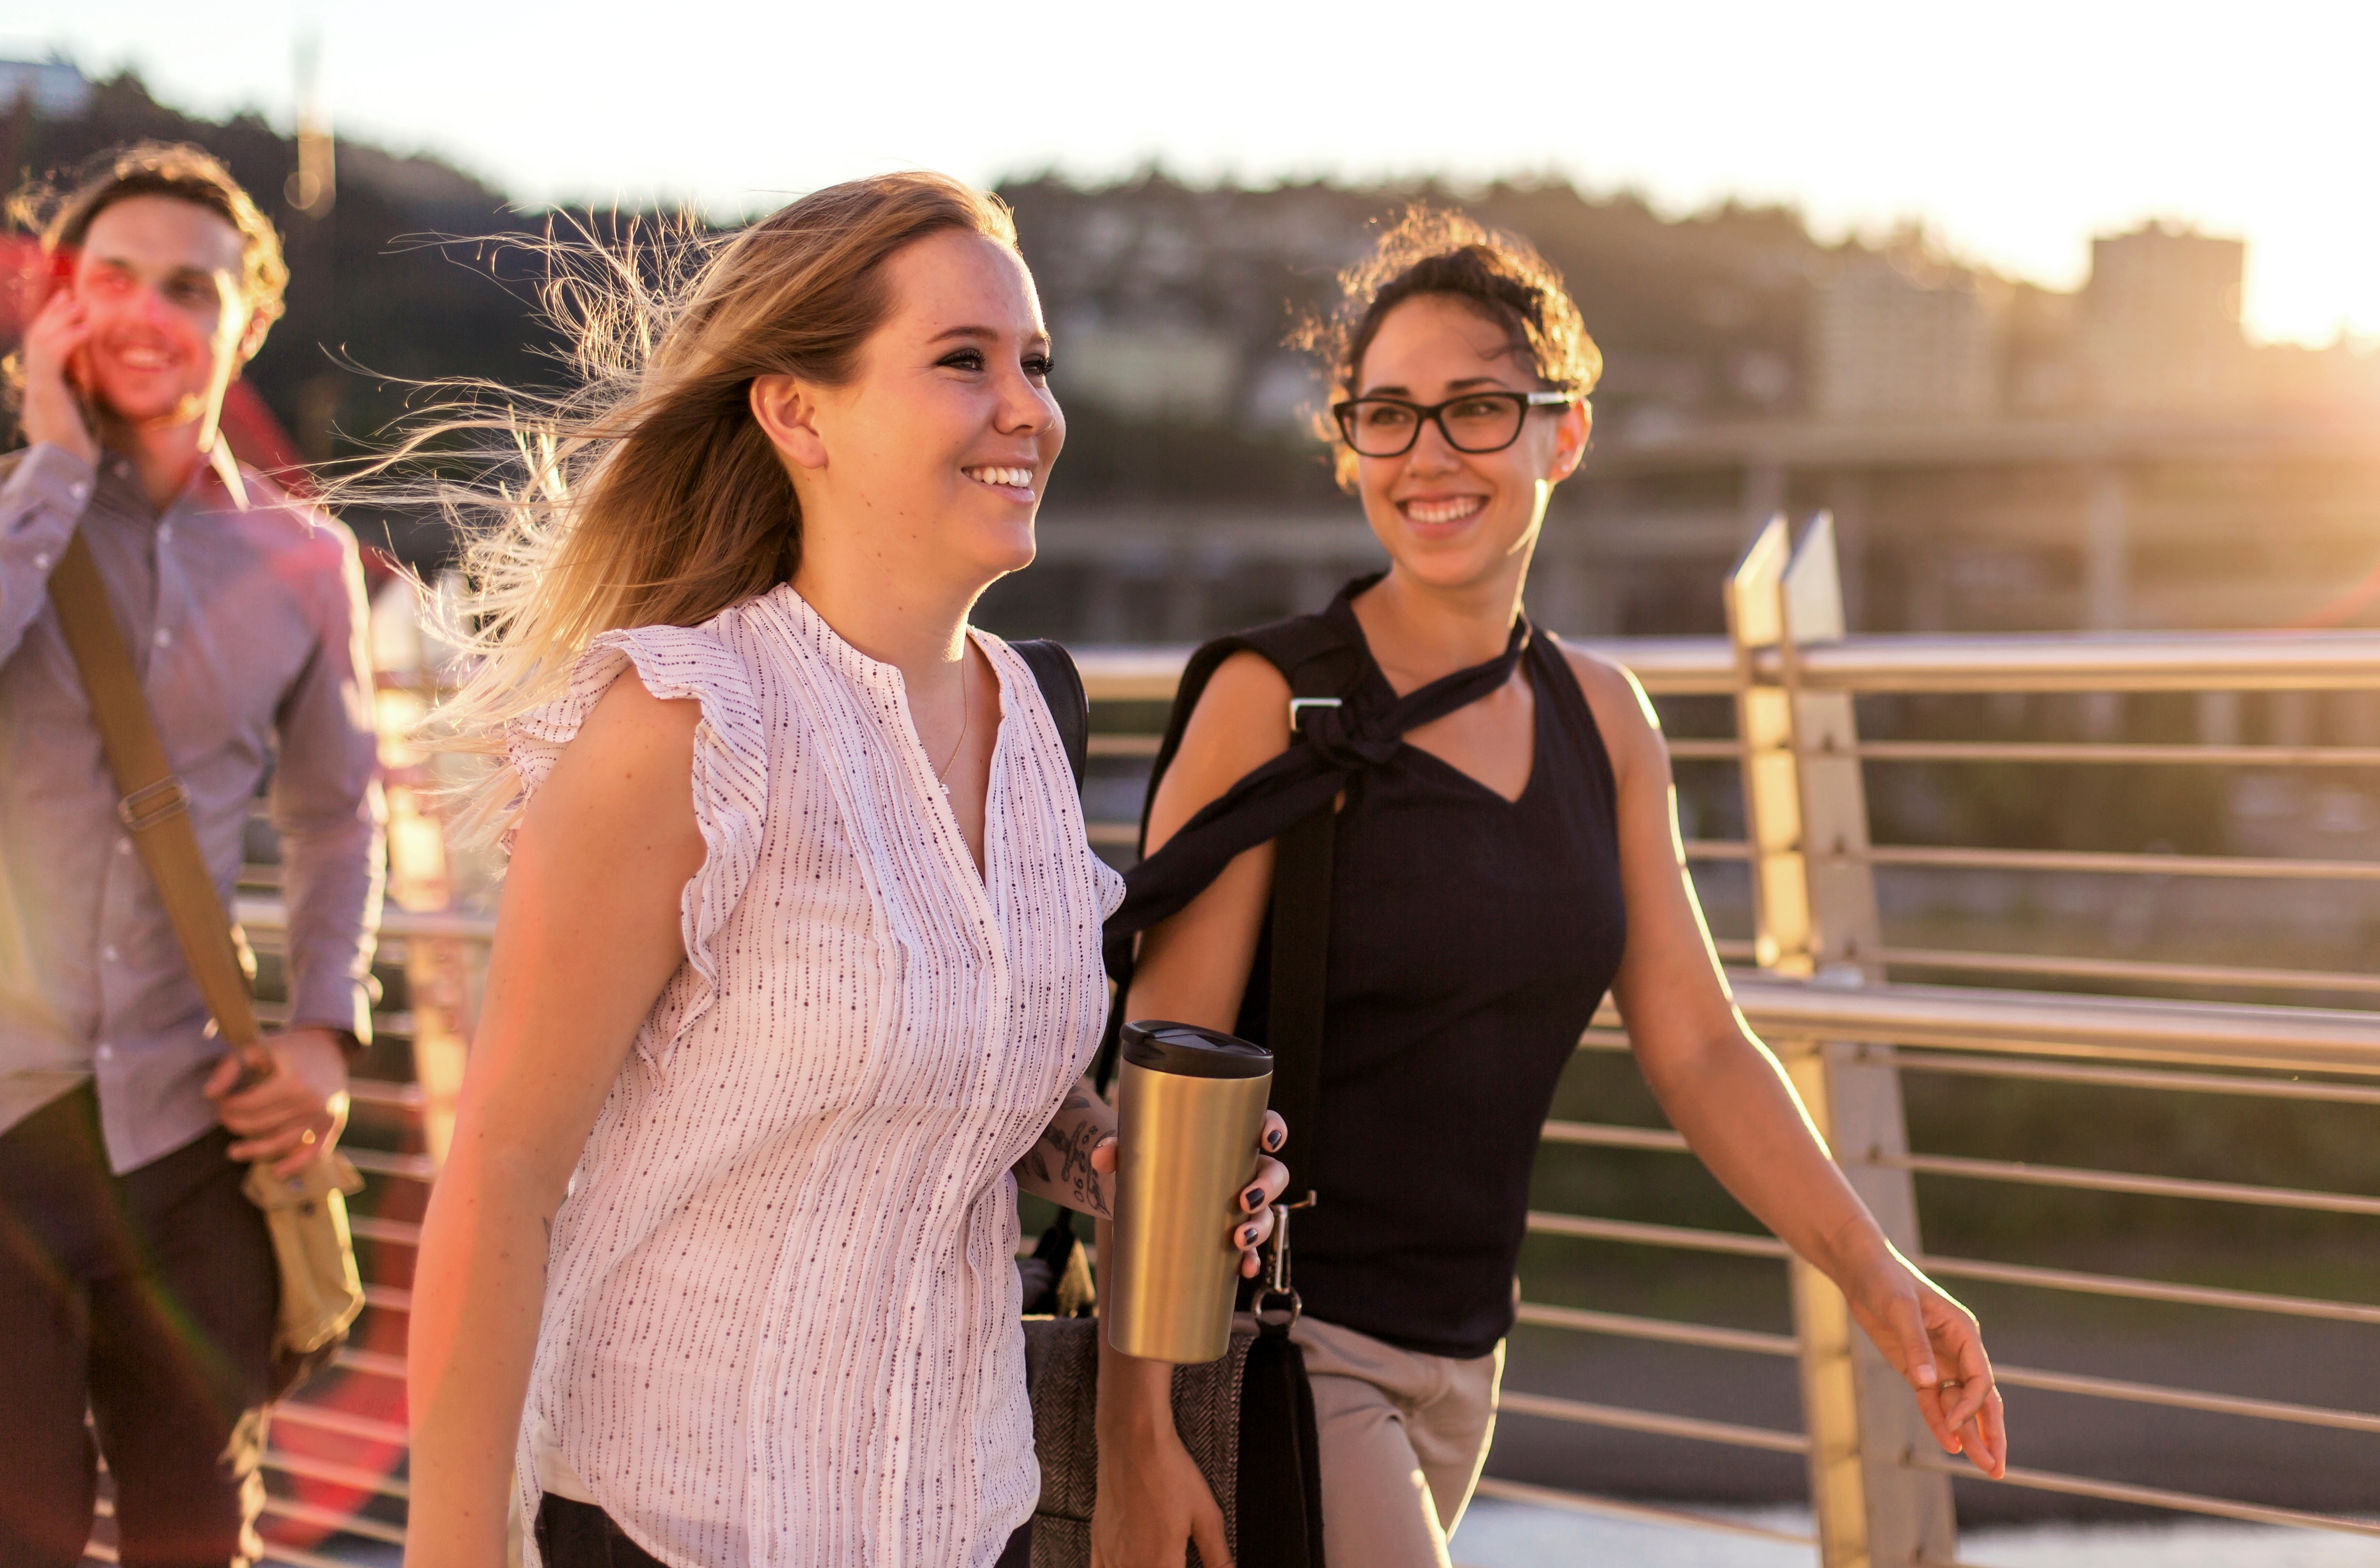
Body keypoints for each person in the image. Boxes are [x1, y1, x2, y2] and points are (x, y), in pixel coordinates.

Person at [1092, 209, 2009, 1568]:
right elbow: (1162, 1078)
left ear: (1561, 433)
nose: (1428, 456)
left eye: (1475, 410)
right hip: (1279, 1342)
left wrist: (1876, 1273)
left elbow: (1699, 1045)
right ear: (1348, 448)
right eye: (1386, 417)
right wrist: (1133, 1434)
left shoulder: (1608, 721)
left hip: (1468, 1362)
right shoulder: (1277, 698)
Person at [398, 173, 1287, 1568]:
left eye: (1036, 364)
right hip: (673, 1522)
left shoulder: (1039, 720)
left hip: (962, 1517)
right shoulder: (686, 725)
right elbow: (503, 1170)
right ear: (795, 412)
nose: (1026, 409)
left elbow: (963, 1063)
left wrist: (1109, 1159)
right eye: (962, 362)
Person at [0, 143, 385, 1567]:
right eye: (106, 278)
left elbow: (336, 815)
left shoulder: (305, 564)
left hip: (194, 1142)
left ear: (247, 322)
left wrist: (323, 1031)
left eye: (188, 285)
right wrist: (57, 471)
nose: (144, 310)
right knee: (4, 1540)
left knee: (204, 1530)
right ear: (54, 312)